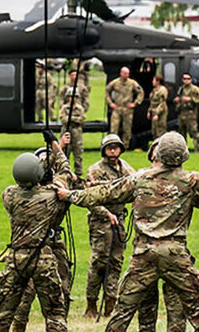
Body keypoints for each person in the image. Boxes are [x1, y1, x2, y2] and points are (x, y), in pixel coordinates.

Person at [57, 132, 199, 332]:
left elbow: (105, 192)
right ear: (183, 155)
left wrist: (70, 195)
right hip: (175, 254)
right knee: (198, 309)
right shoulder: (191, 180)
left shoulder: (139, 178)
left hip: (144, 254)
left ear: (158, 154)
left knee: (122, 311)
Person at [0, 135, 74, 332]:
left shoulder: (9, 195)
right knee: (54, 313)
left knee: (3, 312)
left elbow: (29, 177)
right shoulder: (51, 196)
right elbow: (65, 172)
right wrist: (55, 145)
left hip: (16, 258)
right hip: (42, 257)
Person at [83, 134, 135, 319]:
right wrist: (106, 214)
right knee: (99, 262)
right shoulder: (95, 170)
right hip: (100, 222)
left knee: (116, 261)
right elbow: (89, 198)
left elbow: (136, 186)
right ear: (104, 150)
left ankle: (111, 303)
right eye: (109, 147)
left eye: (116, 147)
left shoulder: (126, 168)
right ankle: (91, 303)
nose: (113, 150)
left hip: (119, 220)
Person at [105, 66, 144, 150]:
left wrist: (135, 103)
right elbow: (107, 91)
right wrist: (110, 103)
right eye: (125, 73)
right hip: (117, 108)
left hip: (127, 109)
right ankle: (113, 145)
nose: (127, 75)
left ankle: (125, 146)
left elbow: (140, 92)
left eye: (128, 74)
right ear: (121, 73)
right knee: (114, 128)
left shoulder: (132, 83)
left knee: (127, 129)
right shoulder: (115, 83)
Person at [172, 73, 199, 152]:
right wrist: (177, 100)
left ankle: (197, 148)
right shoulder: (181, 89)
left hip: (191, 113)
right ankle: (183, 149)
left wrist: (190, 99)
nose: (186, 80)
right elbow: (179, 97)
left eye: (188, 79)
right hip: (182, 113)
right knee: (181, 132)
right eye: (185, 79)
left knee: (194, 131)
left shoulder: (194, 89)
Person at [147, 75, 169, 142]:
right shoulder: (154, 90)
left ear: (158, 81)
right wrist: (149, 111)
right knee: (154, 131)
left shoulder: (162, 90)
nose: (152, 82)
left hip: (161, 112)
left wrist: (157, 113)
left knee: (160, 130)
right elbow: (152, 102)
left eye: (154, 80)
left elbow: (162, 103)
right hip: (154, 112)